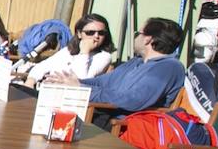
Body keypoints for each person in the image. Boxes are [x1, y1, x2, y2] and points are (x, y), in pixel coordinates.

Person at [51, 16, 186, 120]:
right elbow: (102, 82)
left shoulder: (168, 68)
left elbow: (133, 100)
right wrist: (71, 82)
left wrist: (82, 90)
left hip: (121, 125)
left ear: (147, 39)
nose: (136, 38)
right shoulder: (137, 62)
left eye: (138, 33)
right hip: (104, 113)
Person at [24, 13, 114, 87]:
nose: (96, 36)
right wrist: (31, 80)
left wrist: (84, 52)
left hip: (70, 99)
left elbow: (81, 81)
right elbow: (42, 66)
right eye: (90, 32)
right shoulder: (68, 51)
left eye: (101, 33)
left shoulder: (104, 57)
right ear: (79, 34)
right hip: (48, 91)